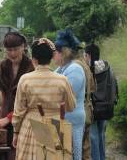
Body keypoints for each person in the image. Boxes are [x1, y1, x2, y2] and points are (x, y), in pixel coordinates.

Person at [12, 38, 76, 159]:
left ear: (34, 59)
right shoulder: (62, 80)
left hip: (31, 126)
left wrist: (16, 131)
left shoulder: (25, 79)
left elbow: (19, 110)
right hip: (56, 126)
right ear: (51, 57)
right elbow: (71, 106)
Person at [0, 32, 34, 159]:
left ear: (23, 47)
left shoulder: (31, 67)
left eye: (16, 49)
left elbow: (31, 103)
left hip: (25, 122)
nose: (13, 53)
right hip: (4, 123)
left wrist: (9, 118)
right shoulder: (1, 67)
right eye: (9, 50)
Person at [53, 29, 86, 160]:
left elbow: (65, 96)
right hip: (63, 119)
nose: (53, 56)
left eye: (55, 53)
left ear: (63, 52)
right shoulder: (62, 68)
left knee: (71, 154)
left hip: (72, 120)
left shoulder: (75, 69)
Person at [84, 43, 116, 160]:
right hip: (106, 107)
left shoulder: (87, 70)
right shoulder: (108, 68)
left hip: (93, 108)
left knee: (93, 136)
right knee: (101, 135)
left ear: (87, 55)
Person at [74, 46, 96, 160]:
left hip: (78, 109)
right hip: (88, 109)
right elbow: (93, 88)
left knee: (76, 149)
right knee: (86, 148)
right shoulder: (86, 66)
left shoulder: (75, 67)